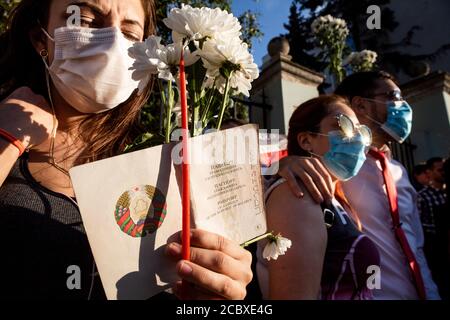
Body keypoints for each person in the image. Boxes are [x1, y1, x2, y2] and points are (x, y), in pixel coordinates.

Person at [0, 0, 252, 300]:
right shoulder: (6, 130)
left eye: (130, 34)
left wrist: (217, 286)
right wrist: (6, 137)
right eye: (86, 18)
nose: (112, 42)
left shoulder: (163, 161)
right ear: (41, 38)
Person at [277, 71, 440, 300]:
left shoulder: (400, 172)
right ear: (361, 105)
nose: (402, 106)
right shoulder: (336, 162)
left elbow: (417, 248)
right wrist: (284, 162)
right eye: (393, 96)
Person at [256, 95, 380, 300]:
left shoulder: (338, 202)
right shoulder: (297, 193)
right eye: (344, 125)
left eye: (361, 131)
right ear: (306, 140)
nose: (357, 138)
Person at [418, 157, 448, 298]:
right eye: (440, 170)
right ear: (429, 172)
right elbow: (419, 226)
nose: (444, 173)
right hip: (437, 252)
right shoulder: (422, 197)